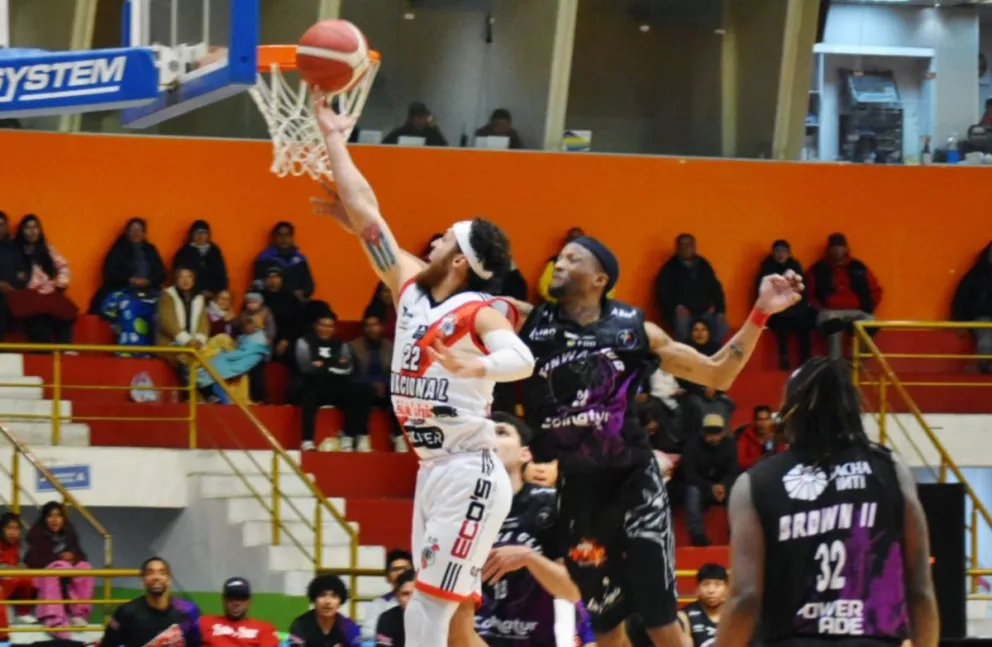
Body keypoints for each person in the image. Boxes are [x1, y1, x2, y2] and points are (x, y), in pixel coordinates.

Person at [313, 96, 535, 647]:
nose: (433, 240)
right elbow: (367, 211)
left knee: (427, 610)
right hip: (433, 469)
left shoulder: (478, 309)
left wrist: (478, 361)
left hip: (469, 470)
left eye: (445, 239)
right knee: (448, 619)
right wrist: (333, 136)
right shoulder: (409, 287)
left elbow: (521, 359)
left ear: (459, 259)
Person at [507, 235, 802, 647]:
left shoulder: (635, 329)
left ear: (599, 278)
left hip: (634, 485)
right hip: (578, 491)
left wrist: (760, 312)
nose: (558, 262)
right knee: (605, 622)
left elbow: (718, 374)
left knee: (660, 618)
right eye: (560, 256)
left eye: (572, 259)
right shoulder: (528, 322)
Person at [714, 358, 939, 647]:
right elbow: (919, 590)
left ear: (790, 414)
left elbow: (745, 599)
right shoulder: (892, 470)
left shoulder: (755, 482)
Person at [477, 412, 580, 647]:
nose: (490, 439)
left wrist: (529, 558)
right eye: (483, 434)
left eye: (501, 432)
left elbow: (572, 591)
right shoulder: (459, 508)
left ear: (526, 453)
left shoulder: (550, 504)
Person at [100, 556, 202, 647]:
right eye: (150, 573)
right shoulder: (126, 612)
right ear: (142, 580)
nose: (156, 577)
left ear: (169, 579)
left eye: (162, 573)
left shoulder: (188, 610)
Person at [25, 501, 94, 632]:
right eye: (50, 516)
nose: (55, 520)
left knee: (85, 567)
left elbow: (81, 555)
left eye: (58, 516)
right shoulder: (36, 535)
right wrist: (59, 559)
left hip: (66, 572)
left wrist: (72, 557)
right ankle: (53, 616)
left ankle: (77, 613)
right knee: (59, 567)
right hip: (42, 575)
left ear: (63, 518)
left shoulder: (69, 534)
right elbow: (32, 560)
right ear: (44, 519)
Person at [199, 577, 279, 647]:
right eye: (231, 597)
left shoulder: (264, 628)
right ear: (223, 600)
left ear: (249, 601)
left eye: (241, 598)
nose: (236, 603)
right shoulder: (205, 622)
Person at [287, 574, 360, 647]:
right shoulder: (300, 625)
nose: (327, 601)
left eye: (334, 596)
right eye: (322, 595)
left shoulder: (349, 627)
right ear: (314, 599)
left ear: (340, 601)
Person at [361, 549, 414, 640]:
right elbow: (368, 636)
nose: (400, 573)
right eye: (395, 569)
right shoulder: (379, 604)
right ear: (387, 577)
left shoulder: (426, 600)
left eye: (405, 568)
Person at [676, 564, 727, 647]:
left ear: (727, 588)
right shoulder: (685, 616)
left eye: (717, 585)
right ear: (698, 588)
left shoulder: (737, 616)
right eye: (706, 584)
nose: (711, 590)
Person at [0, 512, 35, 624]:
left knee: (27, 578)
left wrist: (22, 567)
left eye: (16, 529)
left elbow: (21, 563)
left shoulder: (21, 545)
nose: (13, 532)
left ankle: (23, 612)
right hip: (3, 579)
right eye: (9, 528)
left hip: (11, 579)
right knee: (12, 578)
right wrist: (9, 569)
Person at [375, 569, 416, 647]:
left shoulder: (436, 618)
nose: (411, 599)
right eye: (405, 594)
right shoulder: (387, 619)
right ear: (397, 596)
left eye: (416, 594)